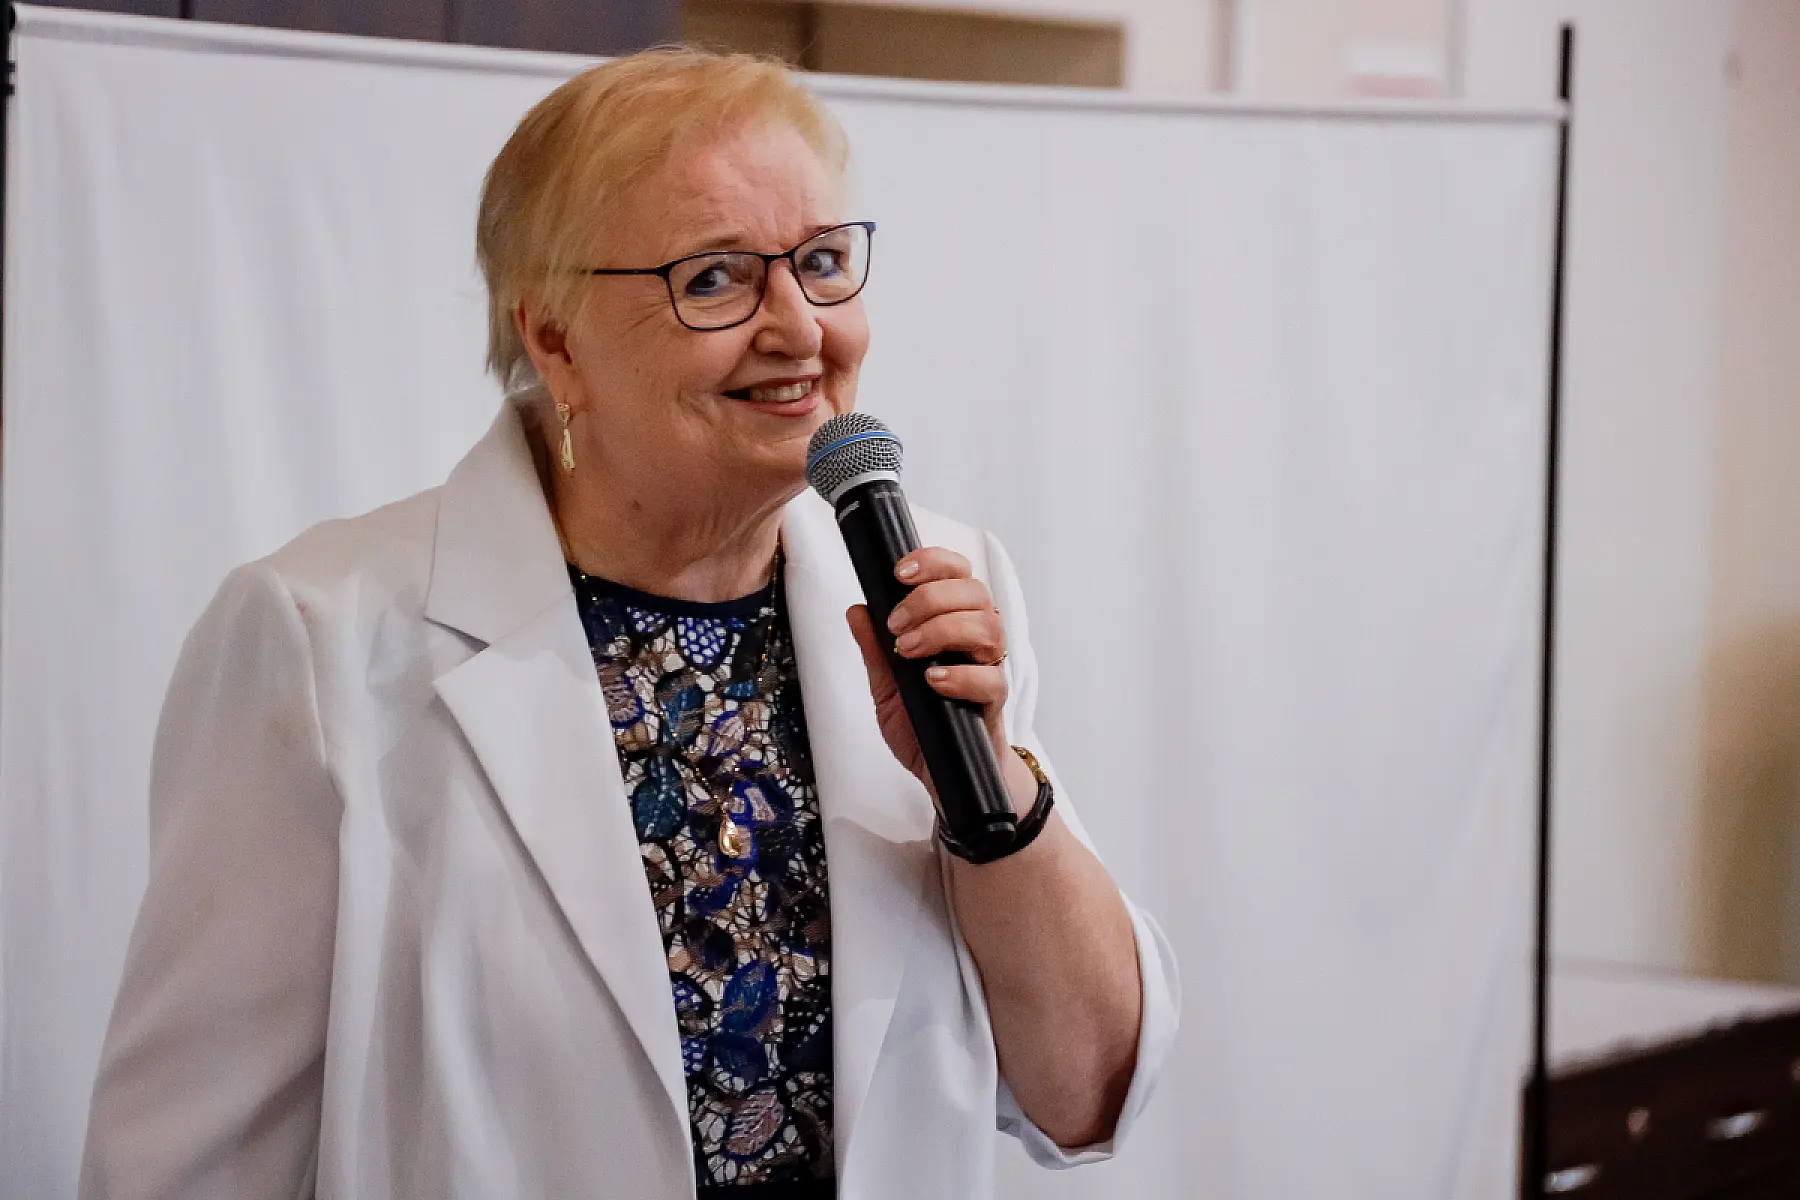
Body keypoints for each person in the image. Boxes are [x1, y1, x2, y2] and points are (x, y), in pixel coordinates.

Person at [79, 48, 1178, 1200]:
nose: (800, 329)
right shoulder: (319, 640)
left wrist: (994, 794)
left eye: (820, 262)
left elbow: (1087, 1093)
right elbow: (186, 1161)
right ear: (554, 340)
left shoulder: (932, 593)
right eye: (715, 279)